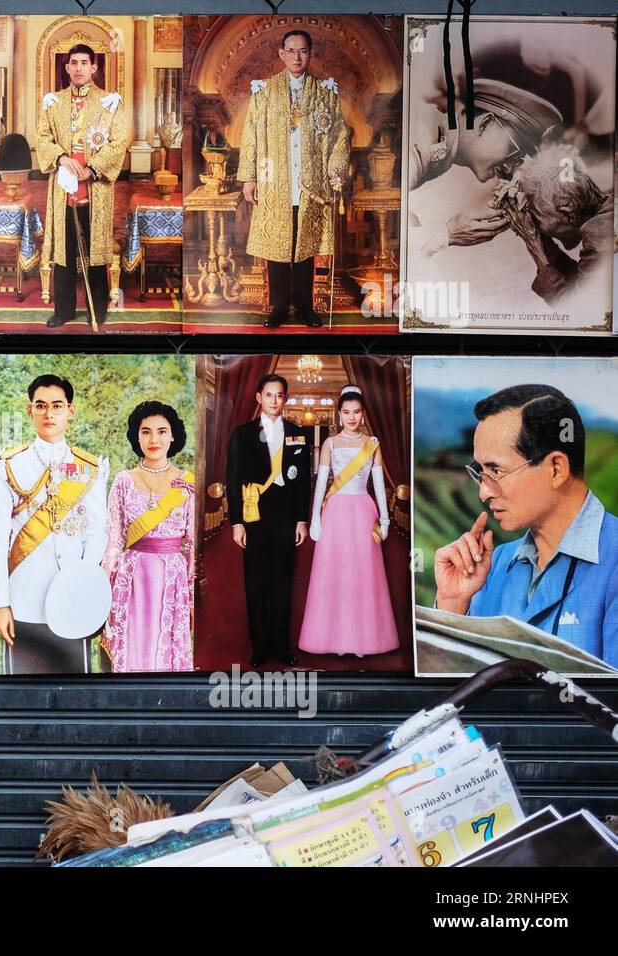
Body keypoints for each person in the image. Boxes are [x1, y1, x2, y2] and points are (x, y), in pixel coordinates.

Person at [435, 384, 617, 665]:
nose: (483, 492)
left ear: (556, 468)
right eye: (480, 473)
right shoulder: (493, 564)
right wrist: (452, 605)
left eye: (496, 470)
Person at [0, 374, 109, 674]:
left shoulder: (88, 468)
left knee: (75, 693)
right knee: (20, 695)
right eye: (41, 406)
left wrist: (82, 584)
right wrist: (0, 604)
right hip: (23, 598)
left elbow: (96, 534)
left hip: (72, 601)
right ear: (30, 411)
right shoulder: (8, 466)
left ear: (71, 410)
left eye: (57, 405)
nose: (49, 413)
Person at [237, 30, 349, 328]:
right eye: (291, 50)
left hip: (311, 183)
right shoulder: (264, 92)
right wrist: (249, 178)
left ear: (310, 54)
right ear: (281, 53)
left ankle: (304, 306)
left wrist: (336, 168)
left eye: (303, 51)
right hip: (275, 183)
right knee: (278, 247)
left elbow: (339, 135)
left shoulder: (325, 92)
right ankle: (278, 307)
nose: (297, 57)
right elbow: (251, 135)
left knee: (305, 247)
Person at [408, 78, 563, 257]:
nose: (513, 169)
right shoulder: (423, 134)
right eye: (515, 150)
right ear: (484, 124)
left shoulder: (442, 142)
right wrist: (447, 233)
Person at [298, 385, 400, 657]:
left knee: (363, 576)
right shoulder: (330, 444)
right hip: (336, 512)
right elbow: (321, 482)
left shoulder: (373, 444)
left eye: (356, 412)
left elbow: (378, 484)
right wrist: (315, 518)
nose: (352, 417)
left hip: (364, 512)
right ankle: (333, 640)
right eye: (346, 412)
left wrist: (386, 519)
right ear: (339, 415)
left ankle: (363, 641)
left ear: (363, 414)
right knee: (335, 575)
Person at [35, 44, 130, 329]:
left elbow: (118, 141)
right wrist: (62, 159)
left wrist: (92, 169)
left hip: (95, 187)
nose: (78, 68)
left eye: (84, 63)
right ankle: (63, 311)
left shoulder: (109, 103)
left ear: (94, 67)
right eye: (73, 63)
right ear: (66, 68)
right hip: (63, 187)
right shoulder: (53, 102)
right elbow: (42, 138)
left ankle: (95, 309)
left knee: (96, 251)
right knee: (64, 252)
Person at [100, 401, 194, 672]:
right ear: (136, 436)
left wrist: (191, 589)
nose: (154, 439)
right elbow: (114, 540)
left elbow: (191, 541)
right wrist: (103, 585)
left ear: (173, 435)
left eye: (162, 431)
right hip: (131, 576)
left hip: (172, 576)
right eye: (146, 432)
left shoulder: (187, 483)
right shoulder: (123, 480)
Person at [225, 373, 311, 666]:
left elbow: (303, 484)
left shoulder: (298, 433)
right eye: (269, 395)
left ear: (285, 399)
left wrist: (302, 519)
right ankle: (260, 647)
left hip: (286, 516)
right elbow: (233, 479)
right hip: (254, 515)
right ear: (259, 398)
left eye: (280, 396)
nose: (275, 401)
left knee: (284, 584)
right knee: (257, 583)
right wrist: (236, 521)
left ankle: (281, 646)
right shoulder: (242, 434)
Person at [499, 143, 613, 306]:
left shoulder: (598, 238)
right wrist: (537, 240)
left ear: (568, 212)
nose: (537, 225)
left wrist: (533, 243)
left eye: (538, 219)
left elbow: (584, 315)